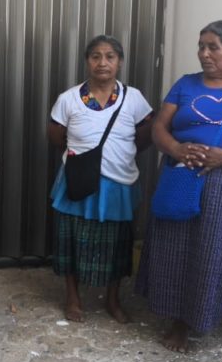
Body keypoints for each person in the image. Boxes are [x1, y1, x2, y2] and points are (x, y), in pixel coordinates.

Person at [136, 20, 222, 353]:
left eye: (213, 47)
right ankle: (174, 319)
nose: (204, 54)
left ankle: (196, 319)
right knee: (172, 245)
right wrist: (176, 149)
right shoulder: (186, 84)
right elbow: (159, 128)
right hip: (180, 172)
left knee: (211, 248)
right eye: (201, 46)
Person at [47, 35, 153, 323]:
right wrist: (83, 158)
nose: (102, 62)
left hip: (118, 182)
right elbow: (56, 134)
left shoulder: (134, 98)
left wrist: (120, 154)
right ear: (87, 61)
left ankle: (113, 299)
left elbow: (145, 134)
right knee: (72, 239)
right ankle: (73, 298)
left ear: (119, 62)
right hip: (78, 177)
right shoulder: (69, 98)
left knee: (117, 243)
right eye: (95, 56)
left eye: (110, 56)